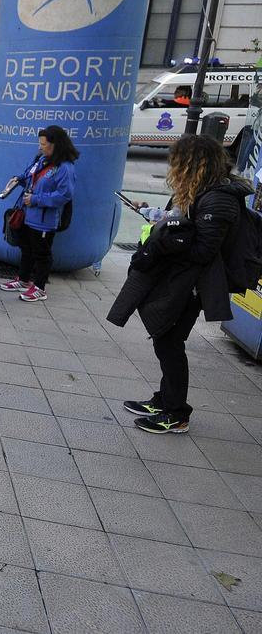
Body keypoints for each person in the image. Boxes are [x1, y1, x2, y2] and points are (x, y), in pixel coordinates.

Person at [108, 135, 247, 434]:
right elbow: (182, 222)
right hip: (181, 277)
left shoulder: (218, 198)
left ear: (194, 163)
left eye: (178, 160)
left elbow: (203, 251)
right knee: (165, 339)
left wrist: (167, 240)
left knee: (169, 342)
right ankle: (165, 399)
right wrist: (159, 218)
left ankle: (176, 413)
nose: (173, 166)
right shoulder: (198, 190)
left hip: (194, 284)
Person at [0, 126, 79, 302]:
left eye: (44, 144)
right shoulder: (41, 160)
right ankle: (24, 280)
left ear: (56, 145)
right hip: (28, 215)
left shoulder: (65, 168)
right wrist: (19, 180)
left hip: (45, 219)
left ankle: (40, 288)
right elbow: (30, 176)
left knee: (42, 254)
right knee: (26, 249)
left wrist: (36, 199)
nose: (40, 147)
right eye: (40, 143)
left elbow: (64, 195)